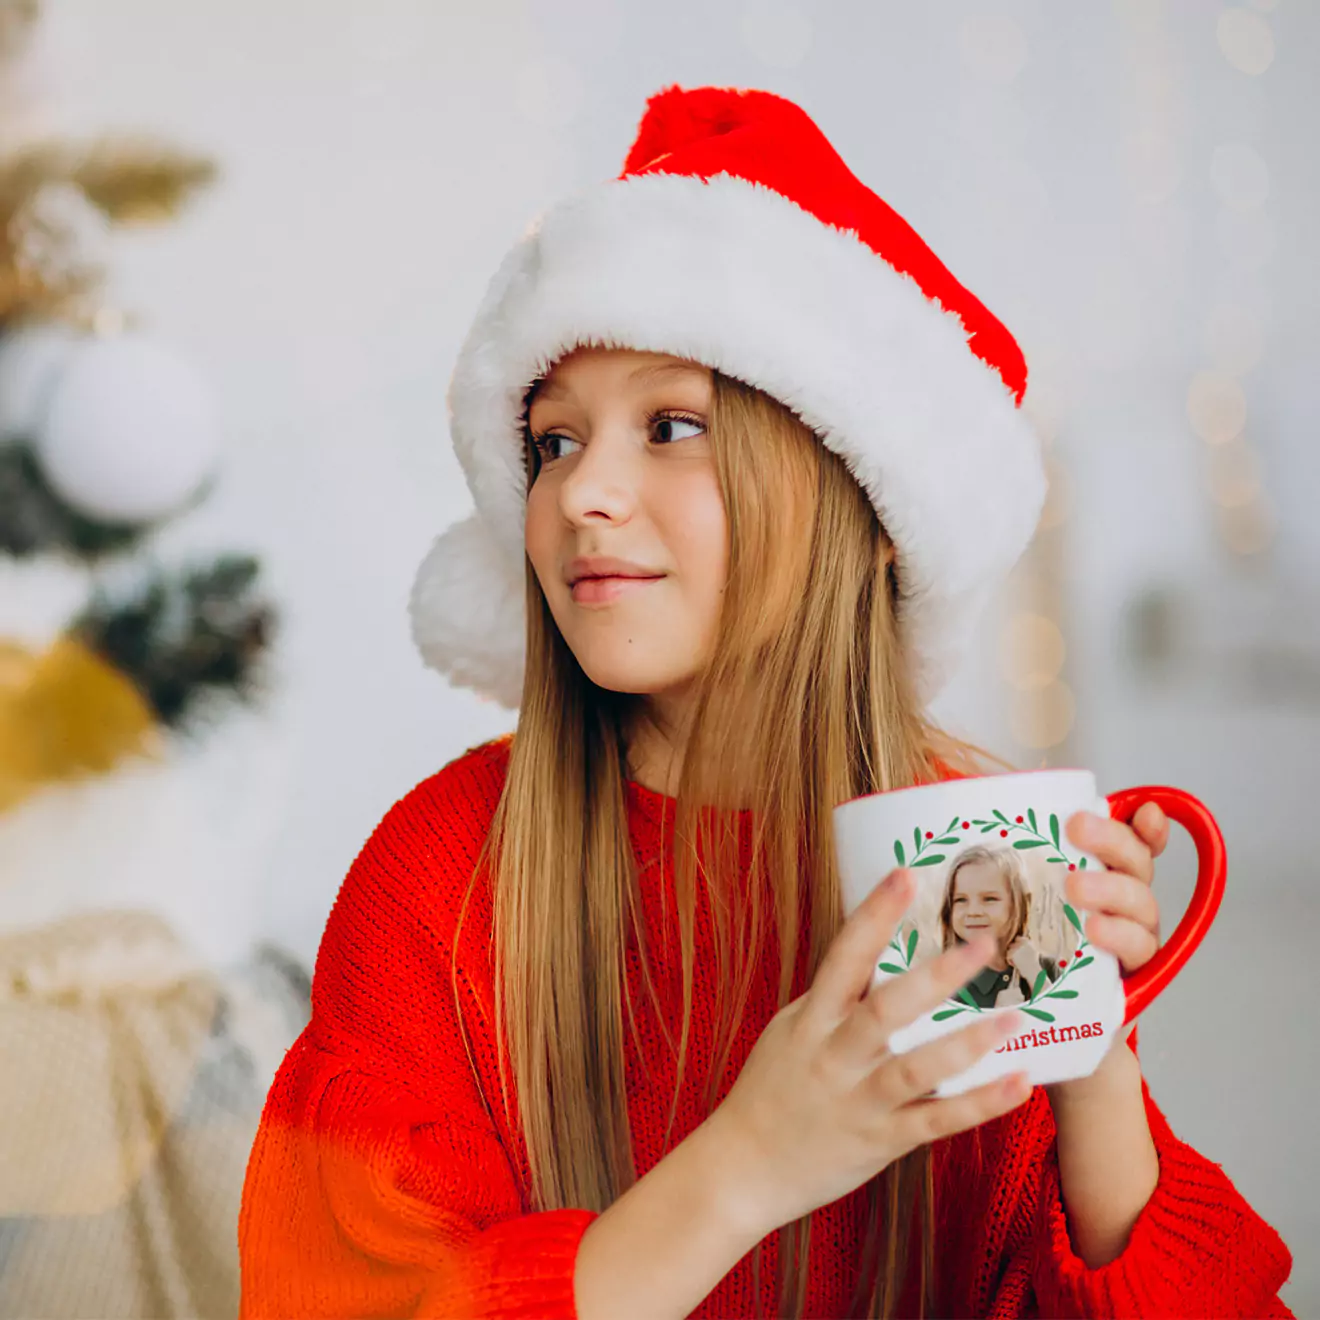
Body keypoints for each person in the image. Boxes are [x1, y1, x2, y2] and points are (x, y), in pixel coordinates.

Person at [236, 85, 1294, 1319]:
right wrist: (749, 1166)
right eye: (553, 443)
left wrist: (1088, 1053)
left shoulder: (966, 847)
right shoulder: (441, 884)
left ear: (864, 500)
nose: (583, 495)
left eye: (671, 425)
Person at [939, 846, 1060, 1010]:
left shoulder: (1046, 968)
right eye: (961, 900)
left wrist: (1034, 975)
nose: (973, 912)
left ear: (1023, 904)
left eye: (989, 899)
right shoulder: (945, 987)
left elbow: (1071, 1026)